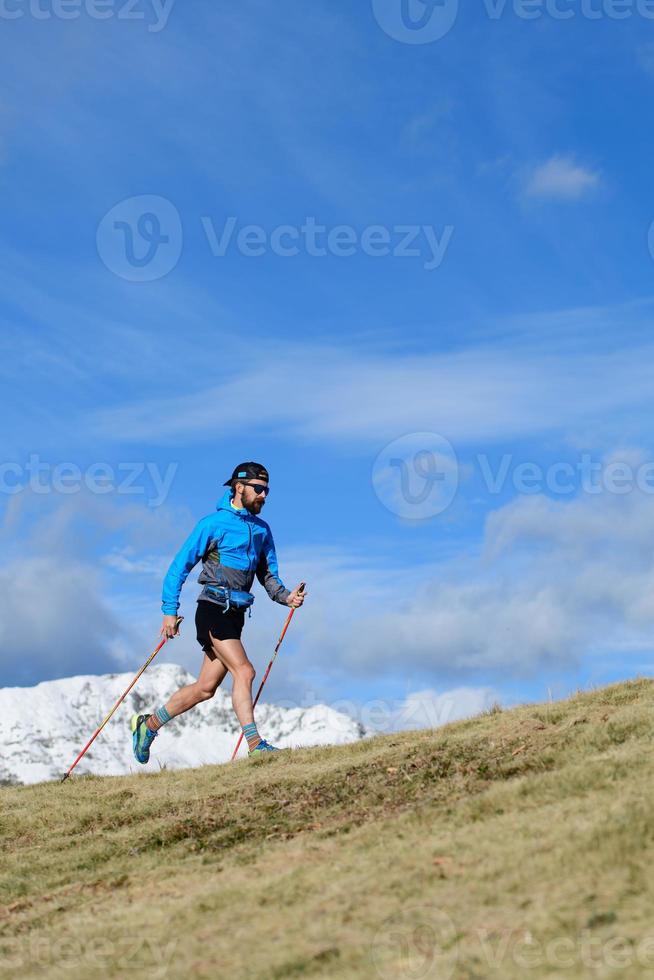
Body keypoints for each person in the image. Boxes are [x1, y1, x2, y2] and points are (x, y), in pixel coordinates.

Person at [130, 462, 306, 764]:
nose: (264, 495)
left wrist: (287, 597)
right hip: (212, 609)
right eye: (259, 489)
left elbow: (268, 576)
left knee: (205, 688)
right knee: (245, 671)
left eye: (267, 490)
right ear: (239, 487)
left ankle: (147, 726)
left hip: (236, 614)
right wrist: (169, 612)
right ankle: (255, 744)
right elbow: (178, 569)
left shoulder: (263, 531)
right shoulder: (211, 524)